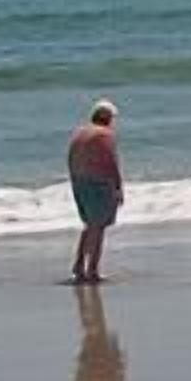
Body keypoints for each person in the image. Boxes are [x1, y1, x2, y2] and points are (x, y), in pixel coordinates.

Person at [66, 100, 123, 284]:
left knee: (89, 226)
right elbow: (110, 162)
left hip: (79, 182)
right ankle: (92, 270)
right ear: (107, 118)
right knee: (98, 228)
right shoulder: (104, 134)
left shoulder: (79, 133)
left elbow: (71, 158)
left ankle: (79, 266)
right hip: (98, 183)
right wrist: (118, 186)